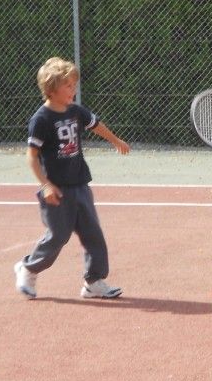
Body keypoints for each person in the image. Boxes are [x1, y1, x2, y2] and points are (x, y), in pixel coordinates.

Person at [13, 56, 130, 300]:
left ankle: (94, 281)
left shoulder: (76, 111)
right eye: (68, 85)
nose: (73, 89)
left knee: (93, 234)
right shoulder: (41, 120)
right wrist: (45, 184)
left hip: (79, 185)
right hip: (56, 191)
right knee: (58, 237)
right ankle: (28, 268)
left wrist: (116, 141)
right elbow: (32, 157)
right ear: (52, 89)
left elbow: (96, 125)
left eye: (73, 84)